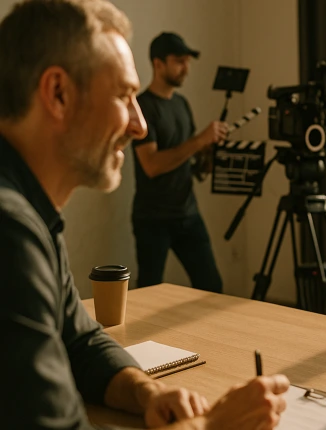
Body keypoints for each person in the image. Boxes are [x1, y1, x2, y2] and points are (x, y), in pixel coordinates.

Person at [0, 0, 288, 428]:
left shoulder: (32, 214)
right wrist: (211, 426)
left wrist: (145, 391)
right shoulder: (10, 230)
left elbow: (79, 342)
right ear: (58, 93)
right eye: (123, 96)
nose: (140, 125)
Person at [130, 31, 229, 293]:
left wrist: (209, 153)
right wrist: (199, 141)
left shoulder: (182, 104)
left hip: (188, 213)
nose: (186, 68)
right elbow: (151, 165)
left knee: (211, 288)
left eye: (187, 61)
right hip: (153, 219)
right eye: (179, 61)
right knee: (148, 293)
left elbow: (191, 159)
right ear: (158, 63)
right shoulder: (142, 107)